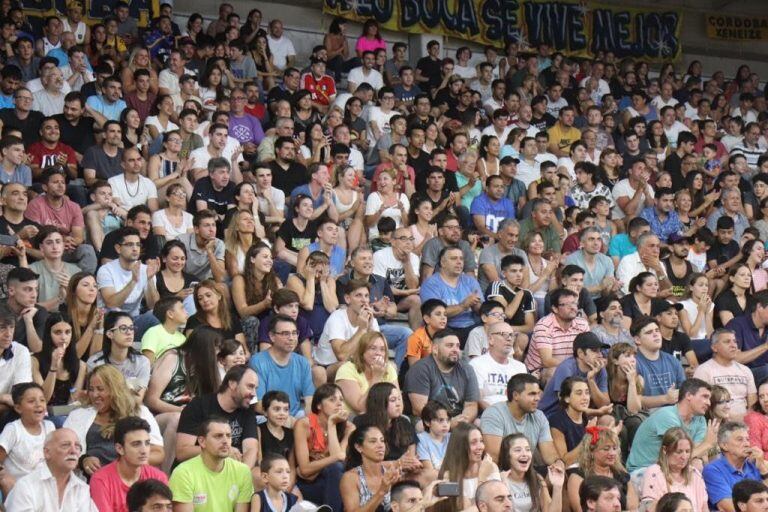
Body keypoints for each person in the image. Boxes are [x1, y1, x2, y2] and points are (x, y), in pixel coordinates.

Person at [175, 365, 259, 469]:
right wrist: (221, 450)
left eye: (256, 388)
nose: (254, 394)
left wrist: (242, 473)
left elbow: (251, 449)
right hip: (197, 470)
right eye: (250, 387)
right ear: (232, 384)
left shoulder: (247, 411)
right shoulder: (198, 406)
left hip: (231, 471)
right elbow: (182, 452)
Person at [169, 418, 254, 512]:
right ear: (202, 442)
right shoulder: (183, 473)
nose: (225, 441)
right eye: (218, 436)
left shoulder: (243, 471)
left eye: (229, 436)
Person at [4, 428, 98, 511]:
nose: (73, 451)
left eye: (77, 446)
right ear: (47, 452)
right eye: (65, 445)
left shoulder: (82, 488)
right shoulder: (26, 486)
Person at [89, 416, 169, 512]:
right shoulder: (101, 480)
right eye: (136, 444)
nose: (144, 451)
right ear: (120, 449)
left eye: (147, 443)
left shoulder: (159, 477)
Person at [294, 384, 354, 512]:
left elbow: (339, 459)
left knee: (338, 471)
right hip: (309, 484)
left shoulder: (349, 428)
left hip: (334, 480)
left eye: (341, 400)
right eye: (332, 400)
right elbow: (304, 470)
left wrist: (332, 424)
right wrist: (335, 457)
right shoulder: (304, 424)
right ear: (319, 405)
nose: (339, 404)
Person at [405, 328, 479, 426]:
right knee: (420, 425)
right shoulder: (420, 369)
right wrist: (447, 423)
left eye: (457, 346)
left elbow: (471, 405)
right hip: (430, 420)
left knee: (479, 423)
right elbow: (420, 409)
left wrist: (463, 420)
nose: (455, 350)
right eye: (450, 346)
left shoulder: (467, 369)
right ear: (435, 349)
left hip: (458, 419)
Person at [250, 315, 315, 420]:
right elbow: (257, 404)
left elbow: (309, 400)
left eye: (294, 333)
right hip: (267, 417)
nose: (291, 338)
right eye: (285, 334)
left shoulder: (302, 362)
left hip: (295, 416)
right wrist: (284, 418)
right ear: (272, 336)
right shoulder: (257, 361)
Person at [566, 427, 637, 512]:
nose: (612, 453)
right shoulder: (577, 476)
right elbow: (580, 510)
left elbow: (634, 508)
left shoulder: (621, 475)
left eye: (614, 448)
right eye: (606, 449)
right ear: (591, 451)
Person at [524, 288, 590, 380]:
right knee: (554, 372)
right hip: (539, 371)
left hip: (572, 367)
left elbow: (588, 351)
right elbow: (547, 361)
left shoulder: (582, 324)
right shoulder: (544, 326)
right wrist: (576, 366)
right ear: (555, 309)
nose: (572, 307)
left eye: (574, 303)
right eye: (566, 304)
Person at [0, 382, 56, 489]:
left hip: (45, 486)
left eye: (42, 400)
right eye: (31, 401)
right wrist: (5, 479)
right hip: (19, 489)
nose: (38, 404)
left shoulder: (49, 426)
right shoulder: (13, 429)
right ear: (18, 408)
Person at [639, 427, 709, 512]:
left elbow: (704, 508)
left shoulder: (695, 474)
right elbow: (650, 509)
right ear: (665, 450)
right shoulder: (654, 473)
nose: (684, 457)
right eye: (679, 452)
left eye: (687, 451)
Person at [703, 421, 768, 511]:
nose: (747, 444)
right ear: (724, 445)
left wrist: (763, 469)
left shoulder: (755, 465)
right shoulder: (713, 470)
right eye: (740, 439)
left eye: (747, 439)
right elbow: (729, 507)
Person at [694, 329, 757, 421]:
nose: (733, 345)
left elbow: (753, 402)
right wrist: (732, 418)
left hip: (745, 423)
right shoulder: (703, 370)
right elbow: (700, 404)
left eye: (735, 341)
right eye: (727, 342)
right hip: (718, 422)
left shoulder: (745, 370)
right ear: (714, 347)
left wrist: (748, 419)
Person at [437, 422, 501, 511]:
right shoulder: (447, 476)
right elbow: (469, 510)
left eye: (481, 441)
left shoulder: (491, 468)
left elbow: (498, 507)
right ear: (460, 447)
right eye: (473, 442)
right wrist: (482, 477)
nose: (480, 447)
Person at [339, 423, 401, 512]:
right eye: (373, 441)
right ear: (358, 447)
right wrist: (382, 491)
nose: (380, 445)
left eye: (382, 440)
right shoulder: (350, 478)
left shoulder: (391, 473)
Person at [469, 321, 527, 409]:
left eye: (511, 335)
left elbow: (524, 398)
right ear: (490, 339)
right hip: (489, 415)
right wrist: (498, 416)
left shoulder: (520, 367)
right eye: (503, 334)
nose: (509, 339)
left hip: (516, 416)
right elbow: (478, 399)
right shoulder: (476, 364)